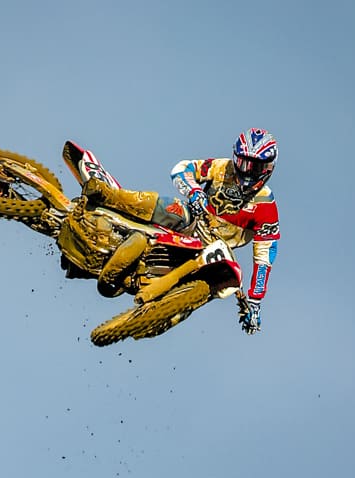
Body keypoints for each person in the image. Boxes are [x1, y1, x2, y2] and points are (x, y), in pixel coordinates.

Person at [83, 129, 280, 335]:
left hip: (217, 248)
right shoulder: (222, 168)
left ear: (268, 168)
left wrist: (255, 302)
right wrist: (193, 190)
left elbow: (264, 259)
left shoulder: (266, 206)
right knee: (172, 209)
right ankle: (107, 195)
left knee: (219, 284)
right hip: (194, 221)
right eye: (243, 163)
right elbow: (182, 168)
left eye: (255, 166)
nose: (247, 171)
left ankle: (156, 320)